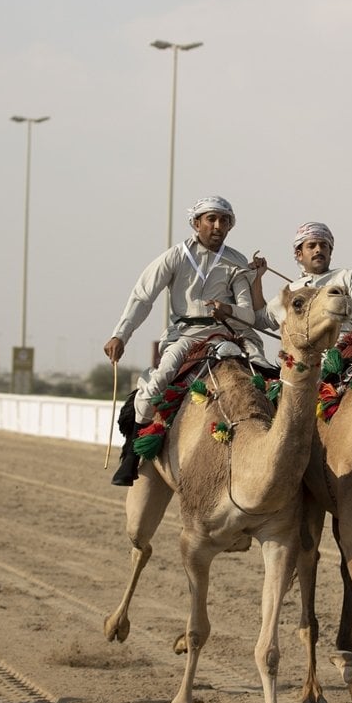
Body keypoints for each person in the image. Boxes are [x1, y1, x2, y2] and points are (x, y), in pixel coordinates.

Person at [103, 195, 266, 486]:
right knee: (159, 380)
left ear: (230, 226)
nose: (217, 226)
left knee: (265, 378)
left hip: (228, 333)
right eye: (211, 219)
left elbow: (248, 315)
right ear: (196, 223)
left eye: (224, 220)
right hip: (186, 334)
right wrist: (120, 334)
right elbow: (143, 296)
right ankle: (131, 455)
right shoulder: (175, 256)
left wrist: (227, 309)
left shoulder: (238, 262)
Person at [250, 221, 352, 334]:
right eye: (311, 246)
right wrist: (257, 278)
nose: (318, 250)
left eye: (323, 245)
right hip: (306, 358)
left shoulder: (348, 276)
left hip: (349, 351)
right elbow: (260, 319)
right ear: (299, 254)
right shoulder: (291, 291)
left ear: (330, 252)